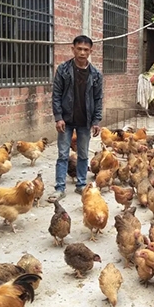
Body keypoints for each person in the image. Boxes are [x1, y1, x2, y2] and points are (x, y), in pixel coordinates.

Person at [49, 35, 103, 201]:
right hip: (66, 120)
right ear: (73, 49)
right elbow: (56, 95)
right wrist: (58, 117)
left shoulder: (95, 74)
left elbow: (98, 99)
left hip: (85, 121)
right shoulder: (63, 70)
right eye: (79, 49)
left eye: (86, 50)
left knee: (83, 154)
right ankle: (60, 187)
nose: (82, 52)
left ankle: (81, 185)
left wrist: (96, 121)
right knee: (63, 154)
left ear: (90, 51)